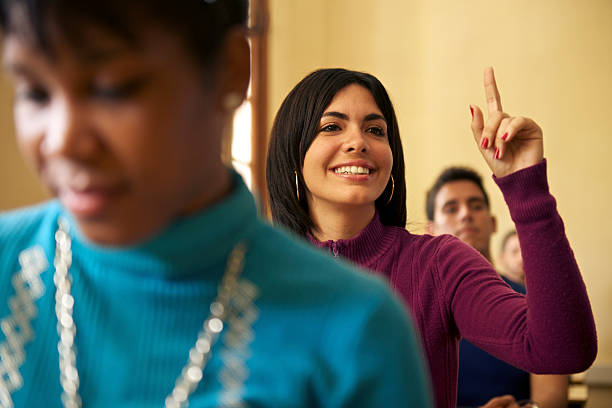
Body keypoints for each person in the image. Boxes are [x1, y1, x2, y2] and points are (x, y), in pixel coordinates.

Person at [0, 1, 433, 407]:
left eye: (114, 88)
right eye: (36, 92)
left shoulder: (354, 327)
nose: (63, 140)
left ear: (228, 71)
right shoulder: (8, 267)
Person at [266, 67, 597, 408]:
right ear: (294, 152)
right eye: (332, 127)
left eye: (375, 130)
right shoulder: (259, 277)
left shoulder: (439, 264)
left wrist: (526, 186)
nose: (358, 142)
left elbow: (563, 351)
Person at [426, 168, 569, 408]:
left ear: (493, 223)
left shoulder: (533, 301)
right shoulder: (414, 306)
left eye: (476, 206)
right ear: (430, 232)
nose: (465, 215)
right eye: (451, 208)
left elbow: (551, 400)